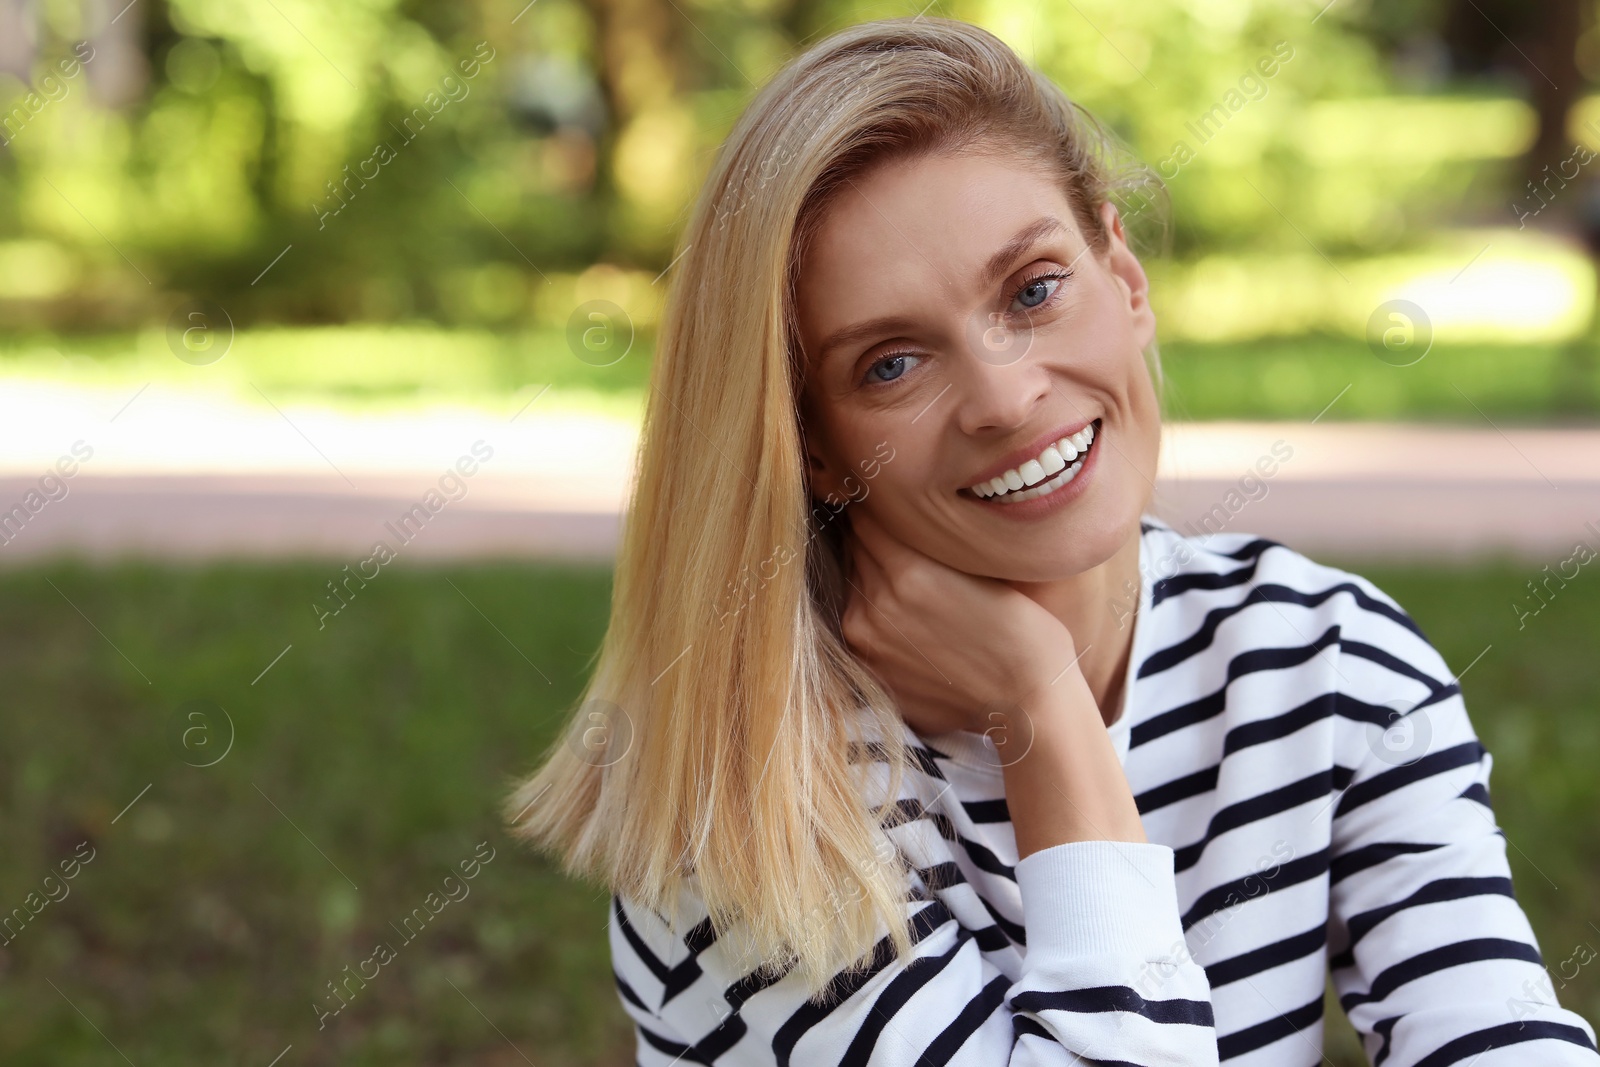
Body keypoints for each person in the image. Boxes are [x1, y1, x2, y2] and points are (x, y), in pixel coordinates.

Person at [502, 16, 1600, 1065]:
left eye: (1033, 289)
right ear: (816, 450)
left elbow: (1493, 1033)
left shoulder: (1324, 659)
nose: (1004, 395)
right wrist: (1043, 709)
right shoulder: (746, 794)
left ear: (1124, 280)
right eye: (891, 362)